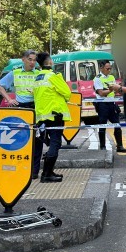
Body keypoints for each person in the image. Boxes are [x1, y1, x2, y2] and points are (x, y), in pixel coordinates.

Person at [0, 50, 44, 178]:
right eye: (30, 59)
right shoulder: (15, 72)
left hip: (35, 108)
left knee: (37, 140)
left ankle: (34, 171)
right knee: (21, 140)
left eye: (34, 60)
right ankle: (20, 168)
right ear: (23, 59)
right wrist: (9, 99)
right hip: (21, 109)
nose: (32, 62)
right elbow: (0, 85)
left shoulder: (39, 74)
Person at [34, 53, 72, 182]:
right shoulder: (53, 76)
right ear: (50, 62)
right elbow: (67, 93)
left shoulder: (38, 77)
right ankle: (46, 174)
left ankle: (49, 171)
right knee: (55, 143)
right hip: (55, 115)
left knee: (51, 143)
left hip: (42, 117)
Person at [93, 60, 126, 153]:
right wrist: (111, 90)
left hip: (112, 103)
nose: (109, 70)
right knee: (102, 125)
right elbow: (101, 93)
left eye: (110, 68)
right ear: (101, 68)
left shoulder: (112, 77)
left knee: (117, 124)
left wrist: (118, 88)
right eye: (107, 68)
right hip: (103, 104)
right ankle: (102, 146)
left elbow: (115, 91)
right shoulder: (97, 79)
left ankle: (120, 146)